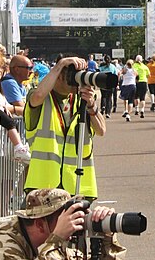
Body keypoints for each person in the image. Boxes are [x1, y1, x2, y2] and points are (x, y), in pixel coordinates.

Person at [23, 56, 106, 198]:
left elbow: (101, 130)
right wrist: (60, 65)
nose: (78, 81)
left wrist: (91, 105)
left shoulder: (81, 101)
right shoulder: (43, 98)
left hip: (77, 186)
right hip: (44, 189)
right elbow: (37, 96)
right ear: (60, 75)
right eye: (74, 75)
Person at [133, 55, 149, 120]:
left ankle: (136, 108)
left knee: (136, 96)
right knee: (142, 97)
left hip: (137, 82)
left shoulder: (133, 66)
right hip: (144, 82)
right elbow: (148, 74)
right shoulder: (145, 66)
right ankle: (142, 109)